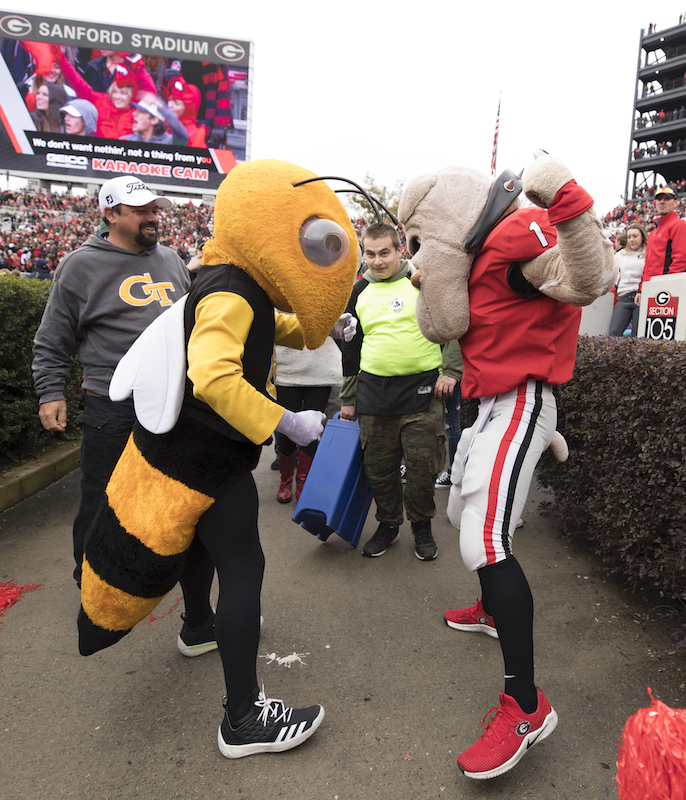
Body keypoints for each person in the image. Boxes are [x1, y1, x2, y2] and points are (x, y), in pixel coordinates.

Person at [398, 153, 615, 780]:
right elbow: (457, 321)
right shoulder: (477, 255)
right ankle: (493, 611)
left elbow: (589, 279)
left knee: (484, 540)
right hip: (492, 402)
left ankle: (526, 704)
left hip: (521, 398)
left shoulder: (518, 235)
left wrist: (568, 201)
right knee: (462, 511)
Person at [32, 176, 192, 587]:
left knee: (161, 492)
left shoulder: (172, 259)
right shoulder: (80, 264)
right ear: (111, 213)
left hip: (172, 401)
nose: (153, 217)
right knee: (103, 495)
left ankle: (136, 572)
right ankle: (89, 576)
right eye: (141, 210)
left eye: (155, 209)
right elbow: (53, 338)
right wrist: (50, 392)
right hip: (112, 404)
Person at [340, 223, 445, 561]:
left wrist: (452, 371)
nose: (377, 261)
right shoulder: (358, 291)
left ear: (400, 250)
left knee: (421, 468)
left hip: (422, 392)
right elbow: (351, 348)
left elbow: (451, 325)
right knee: (379, 470)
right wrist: (348, 398)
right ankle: (388, 524)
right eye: (370, 254)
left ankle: (422, 526)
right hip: (373, 395)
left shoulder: (421, 280)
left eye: (384, 252)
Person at [274, 332, 343, 503]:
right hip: (286, 367)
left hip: (321, 366)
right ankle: (285, 482)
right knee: (287, 429)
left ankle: (303, 482)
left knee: (312, 429)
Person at [56, 50, 156, 139]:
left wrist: (138, 65)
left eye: (123, 93)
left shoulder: (138, 113)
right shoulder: (100, 101)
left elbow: (150, 94)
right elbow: (77, 83)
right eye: (115, 92)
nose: (117, 96)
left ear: (131, 95)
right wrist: (60, 59)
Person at [635, 186, 686, 306]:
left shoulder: (679, 225)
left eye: (667, 199)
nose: (662, 201)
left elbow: (680, 260)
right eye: (659, 199)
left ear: (675, 203)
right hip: (650, 289)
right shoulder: (653, 232)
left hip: (665, 291)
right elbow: (647, 266)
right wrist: (641, 290)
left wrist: (667, 287)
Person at [434, 338, 463, 488]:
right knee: (451, 424)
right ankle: (454, 472)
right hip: (446, 371)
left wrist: (450, 371)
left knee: (451, 424)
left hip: (445, 372)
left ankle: (454, 472)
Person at [609, 224, 648, 336]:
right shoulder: (620, 255)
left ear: (642, 237)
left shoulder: (649, 253)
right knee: (614, 332)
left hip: (641, 298)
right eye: (629, 237)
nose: (632, 240)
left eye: (635, 236)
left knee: (638, 335)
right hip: (623, 298)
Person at [119, 98, 188, 145]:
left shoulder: (169, 141)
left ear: (154, 120)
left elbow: (183, 137)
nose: (134, 114)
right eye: (136, 110)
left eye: (141, 111)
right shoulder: (125, 140)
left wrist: (159, 105)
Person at [166, 76, 207, 147]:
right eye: (170, 100)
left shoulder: (192, 134)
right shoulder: (165, 125)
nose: (170, 105)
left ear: (188, 110)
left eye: (176, 103)